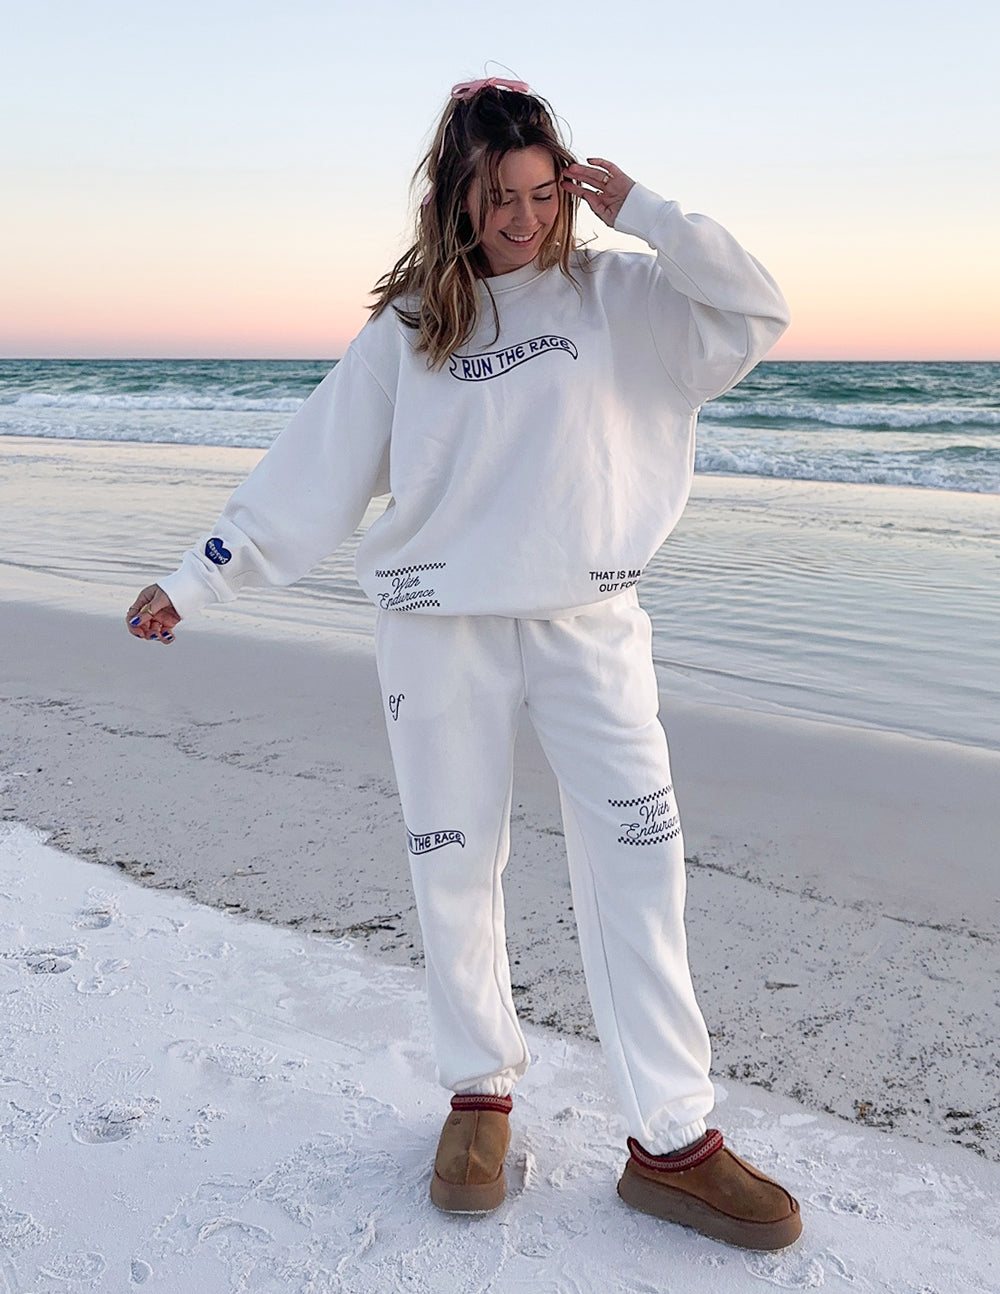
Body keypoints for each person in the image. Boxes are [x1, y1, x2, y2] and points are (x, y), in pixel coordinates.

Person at [127, 77, 800, 1251]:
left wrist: (651, 211)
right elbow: (313, 469)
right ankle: (478, 1094)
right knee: (455, 864)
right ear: (457, 196)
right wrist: (197, 575)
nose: (525, 219)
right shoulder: (410, 329)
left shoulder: (620, 293)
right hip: (437, 626)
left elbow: (755, 311)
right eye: (499, 198)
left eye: (545, 194)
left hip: (589, 623)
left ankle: (672, 1136)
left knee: (640, 858)